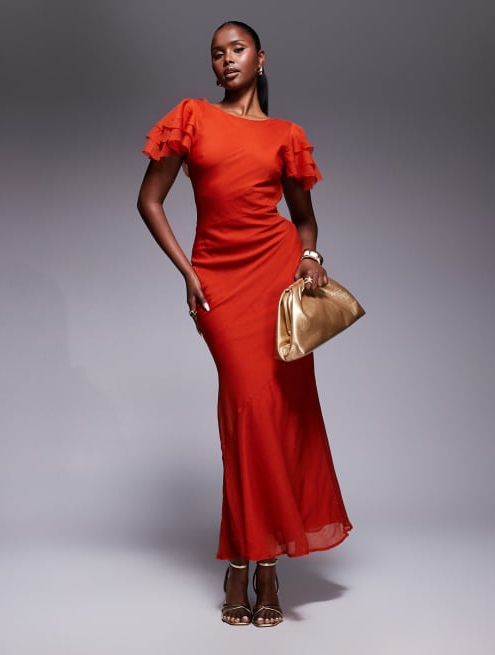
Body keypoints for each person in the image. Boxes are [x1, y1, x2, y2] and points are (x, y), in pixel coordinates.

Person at [137, 20, 352, 628]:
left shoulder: (285, 135)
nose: (226, 59)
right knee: (244, 413)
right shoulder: (192, 118)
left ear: (260, 58)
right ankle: (247, 560)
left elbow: (303, 219)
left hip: (276, 279)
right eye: (217, 53)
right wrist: (187, 271)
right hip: (219, 285)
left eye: (237, 49)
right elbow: (149, 200)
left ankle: (258, 565)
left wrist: (309, 256)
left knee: (274, 418)